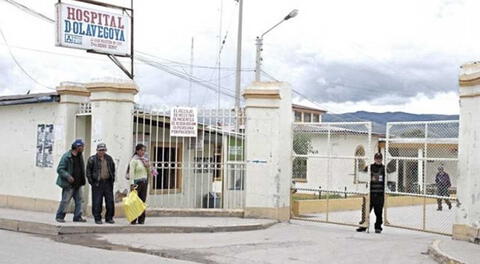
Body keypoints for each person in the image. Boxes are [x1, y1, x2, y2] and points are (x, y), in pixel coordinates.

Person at [55, 139, 87, 223]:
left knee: (80, 201)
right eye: (82, 146)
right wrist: (68, 176)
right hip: (69, 184)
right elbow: (60, 169)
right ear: (77, 147)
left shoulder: (80, 156)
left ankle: (77, 216)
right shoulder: (66, 156)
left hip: (78, 183)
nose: (83, 148)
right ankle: (60, 216)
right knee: (65, 201)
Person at [86, 143, 116, 224]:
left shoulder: (109, 158)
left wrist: (112, 179)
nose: (102, 152)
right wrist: (92, 182)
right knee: (97, 201)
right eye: (100, 150)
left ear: (105, 150)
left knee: (110, 201)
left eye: (103, 150)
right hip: (97, 183)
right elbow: (88, 172)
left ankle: (109, 217)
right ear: (97, 150)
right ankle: (97, 218)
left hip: (108, 183)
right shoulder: (92, 159)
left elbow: (112, 169)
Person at [126, 144, 156, 224]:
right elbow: (131, 173)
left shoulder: (145, 160)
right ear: (137, 151)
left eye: (144, 150)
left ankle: (141, 219)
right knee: (135, 201)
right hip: (136, 183)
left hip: (144, 182)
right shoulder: (134, 160)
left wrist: (148, 166)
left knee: (142, 201)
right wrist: (132, 184)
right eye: (141, 150)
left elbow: (149, 172)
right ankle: (133, 219)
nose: (143, 152)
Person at [357, 153, 386, 233]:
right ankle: (363, 225)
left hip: (380, 194)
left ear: (382, 159)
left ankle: (378, 227)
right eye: (377, 158)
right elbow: (362, 174)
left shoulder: (384, 169)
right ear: (374, 159)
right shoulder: (370, 167)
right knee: (365, 210)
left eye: (380, 158)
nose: (378, 160)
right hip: (370, 194)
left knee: (378, 212)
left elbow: (389, 179)